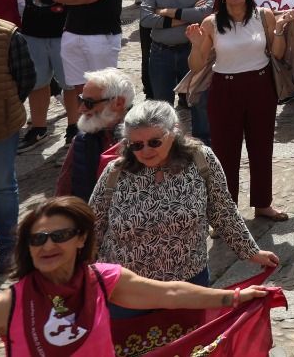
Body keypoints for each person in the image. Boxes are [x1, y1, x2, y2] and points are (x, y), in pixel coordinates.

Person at [0, 197, 275, 353]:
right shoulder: (7, 305)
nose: (48, 245)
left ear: (81, 239)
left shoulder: (102, 280)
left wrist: (234, 297)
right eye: (38, 239)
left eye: (60, 235)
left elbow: (170, 293)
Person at [91, 101, 278, 307]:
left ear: (174, 132)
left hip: (189, 286)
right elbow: (93, 227)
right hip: (128, 293)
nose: (145, 151)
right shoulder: (115, 173)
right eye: (136, 145)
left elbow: (222, 209)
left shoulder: (200, 159)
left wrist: (251, 251)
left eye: (154, 142)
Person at [186, 0, 294, 220]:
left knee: (261, 147)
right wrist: (194, 43)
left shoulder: (264, 15)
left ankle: (263, 203)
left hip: (260, 87)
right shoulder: (211, 23)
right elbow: (196, 65)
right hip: (225, 89)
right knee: (225, 152)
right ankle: (226, 212)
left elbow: (276, 54)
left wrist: (278, 31)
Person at [0, 0, 78, 148]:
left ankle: (74, 127)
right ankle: (39, 128)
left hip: (67, 29)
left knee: (70, 83)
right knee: (38, 82)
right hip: (33, 30)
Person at [136, 0, 214, 139]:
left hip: (194, 49)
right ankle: (165, 144)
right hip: (161, 51)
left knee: (199, 101)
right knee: (162, 106)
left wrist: (167, 12)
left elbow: (205, 13)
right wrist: (187, 15)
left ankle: (203, 145)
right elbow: (145, 19)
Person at [0, 9, 31, 273]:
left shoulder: (7, 34)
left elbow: (25, 79)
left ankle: (7, 248)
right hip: (2, 120)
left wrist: (6, 107)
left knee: (2, 187)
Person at [55, 68, 134, 203]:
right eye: (81, 100)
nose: (81, 109)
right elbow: (63, 193)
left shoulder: (146, 141)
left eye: (89, 103)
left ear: (118, 103)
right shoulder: (82, 140)